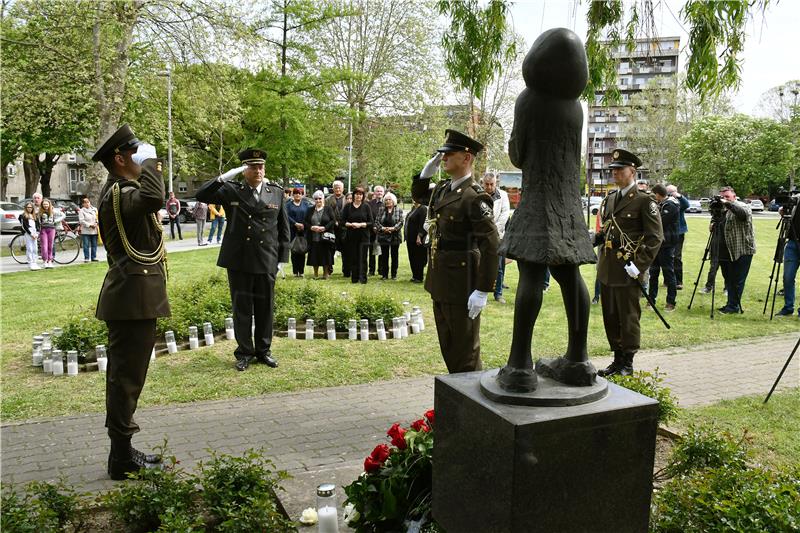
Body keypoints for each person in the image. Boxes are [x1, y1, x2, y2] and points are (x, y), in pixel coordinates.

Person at [93, 124, 169, 480]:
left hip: (134, 298)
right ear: (121, 158)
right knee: (125, 379)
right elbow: (155, 198)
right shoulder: (122, 193)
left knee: (128, 378)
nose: (141, 158)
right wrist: (151, 160)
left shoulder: (121, 192)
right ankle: (120, 458)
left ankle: (122, 450)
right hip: (130, 300)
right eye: (134, 152)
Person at [411, 129, 499, 373]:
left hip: (462, 283)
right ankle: (457, 401)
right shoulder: (442, 189)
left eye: (450, 153)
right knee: (449, 347)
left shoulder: (474, 197)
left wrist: (482, 290)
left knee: (466, 352)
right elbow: (419, 195)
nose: (444, 157)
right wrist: (424, 173)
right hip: (440, 280)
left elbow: (492, 246)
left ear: (467, 158)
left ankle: (470, 405)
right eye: (443, 153)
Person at [196, 148, 290, 371]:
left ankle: (264, 351)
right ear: (244, 170)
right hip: (239, 260)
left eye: (260, 166)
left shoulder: (275, 192)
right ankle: (245, 352)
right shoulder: (231, 190)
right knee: (242, 309)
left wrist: (282, 259)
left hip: (267, 259)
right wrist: (224, 177)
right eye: (252, 167)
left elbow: (283, 228)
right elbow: (201, 195)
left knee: (265, 308)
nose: (258, 170)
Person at [595, 149, 663, 377]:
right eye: (612, 170)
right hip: (607, 268)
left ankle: (628, 362)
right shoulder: (611, 199)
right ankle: (616, 359)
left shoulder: (644, 201)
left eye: (619, 169)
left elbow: (655, 237)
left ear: (632, 171)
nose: (615, 173)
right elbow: (606, 231)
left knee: (628, 317)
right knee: (611, 316)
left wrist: (640, 265)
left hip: (628, 269)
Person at [715, 186, 755, 314]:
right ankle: (730, 304)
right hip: (727, 251)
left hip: (742, 249)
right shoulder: (723, 210)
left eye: (727, 196)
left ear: (734, 195)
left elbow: (743, 215)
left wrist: (727, 204)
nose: (724, 199)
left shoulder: (743, 206)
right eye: (722, 197)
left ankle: (733, 307)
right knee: (730, 280)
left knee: (737, 280)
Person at [648, 184, 679, 311]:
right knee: (653, 273)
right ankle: (651, 301)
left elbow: (659, 222)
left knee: (668, 273)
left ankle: (671, 302)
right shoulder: (660, 204)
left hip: (666, 245)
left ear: (658, 194)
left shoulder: (670, 205)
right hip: (656, 244)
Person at [481, 173, 510, 304]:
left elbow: (504, 214)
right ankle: (482, 291)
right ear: (483, 183)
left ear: (495, 183)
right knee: (480, 264)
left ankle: (498, 293)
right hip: (481, 235)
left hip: (498, 235)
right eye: (487, 184)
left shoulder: (503, 195)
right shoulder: (478, 195)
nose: (489, 187)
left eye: (491, 184)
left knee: (499, 266)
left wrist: (493, 230)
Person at [341, 187, 374, 284]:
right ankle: (354, 278)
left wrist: (360, 225)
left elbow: (371, 222)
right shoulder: (348, 207)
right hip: (351, 235)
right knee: (353, 257)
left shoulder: (366, 207)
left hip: (364, 235)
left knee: (363, 257)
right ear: (353, 195)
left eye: (360, 194)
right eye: (357, 194)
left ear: (363, 196)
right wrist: (350, 224)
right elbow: (342, 221)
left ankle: (363, 278)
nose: (358, 196)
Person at [304, 190, 336, 279]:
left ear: (323, 199)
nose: (318, 200)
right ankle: (315, 274)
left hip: (325, 237)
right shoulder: (310, 209)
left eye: (320, 198)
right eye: (316, 199)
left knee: (326, 255)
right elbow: (305, 221)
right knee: (314, 255)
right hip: (313, 237)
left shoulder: (328, 209)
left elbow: (333, 221)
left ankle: (325, 274)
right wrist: (311, 227)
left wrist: (324, 228)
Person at [777, 196, 800, 317]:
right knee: (788, 277)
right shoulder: (796, 199)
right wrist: (783, 211)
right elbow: (782, 209)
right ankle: (788, 307)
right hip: (792, 243)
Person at [375, 192, 404, 280]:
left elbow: (401, 222)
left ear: (393, 201)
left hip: (395, 236)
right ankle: (384, 275)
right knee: (384, 256)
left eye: (389, 199)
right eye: (386, 200)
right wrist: (383, 228)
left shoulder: (399, 210)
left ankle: (394, 275)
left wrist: (393, 228)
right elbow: (377, 222)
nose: (388, 201)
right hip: (383, 236)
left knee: (394, 256)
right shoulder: (381, 210)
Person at [666, 185, 689, 289]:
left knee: (677, 256)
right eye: (669, 192)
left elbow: (686, 204)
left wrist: (678, 196)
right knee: (666, 256)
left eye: (672, 192)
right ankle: (668, 280)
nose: (670, 194)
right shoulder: (665, 201)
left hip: (678, 232)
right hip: (667, 232)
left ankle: (678, 281)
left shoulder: (679, 202)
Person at [286, 187, 310, 277]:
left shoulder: (306, 205)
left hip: (303, 231)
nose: (297, 195)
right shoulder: (288, 205)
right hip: (292, 230)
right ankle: (295, 272)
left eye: (299, 193)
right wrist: (295, 223)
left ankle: (302, 271)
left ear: (302, 195)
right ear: (293, 194)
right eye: (296, 193)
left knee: (302, 251)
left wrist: (303, 224)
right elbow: (286, 216)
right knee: (294, 251)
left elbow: (308, 216)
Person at [325, 180, 347, 276]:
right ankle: (329, 269)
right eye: (336, 187)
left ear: (342, 189)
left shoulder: (347, 199)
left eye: (339, 187)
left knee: (345, 250)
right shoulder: (328, 200)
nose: (338, 189)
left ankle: (345, 269)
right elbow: (325, 213)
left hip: (344, 229)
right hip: (332, 228)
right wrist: (334, 222)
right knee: (330, 250)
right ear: (333, 189)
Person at [404, 197, 428, 283]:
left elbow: (423, 224)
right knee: (412, 257)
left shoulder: (423, 209)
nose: (414, 200)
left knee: (418, 257)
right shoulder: (414, 208)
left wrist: (419, 236)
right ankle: (414, 275)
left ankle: (419, 277)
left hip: (417, 238)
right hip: (410, 238)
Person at [37, 198, 64, 268]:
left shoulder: (53, 211)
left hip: (51, 229)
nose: (45, 205)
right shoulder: (40, 212)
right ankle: (45, 261)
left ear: (49, 204)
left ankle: (50, 261)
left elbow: (63, 215)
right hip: (43, 230)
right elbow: (37, 221)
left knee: (50, 246)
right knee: (44, 246)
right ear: (42, 205)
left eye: (47, 204)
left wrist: (55, 221)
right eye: (44, 204)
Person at [368, 185, 385, 275]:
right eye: (377, 191)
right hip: (372, 231)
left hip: (382, 231)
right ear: (374, 193)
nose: (379, 193)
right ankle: (371, 270)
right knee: (371, 252)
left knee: (382, 251)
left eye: (381, 191)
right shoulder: (370, 204)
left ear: (383, 193)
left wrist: (380, 227)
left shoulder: (387, 203)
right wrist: (373, 226)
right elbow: (369, 217)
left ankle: (381, 270)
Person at [19, 201, 41, 270]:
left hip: (35, 234)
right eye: (28, 207)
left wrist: (37, 233)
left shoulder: (35, 216)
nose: (30, 208)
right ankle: (30, 263)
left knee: (35, 249)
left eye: (31, 207)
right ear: (26, 208)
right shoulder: (23, 216)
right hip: (28, 233)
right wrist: (31, 234)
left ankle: (35, 262)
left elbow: (38, 225)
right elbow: (24, 226)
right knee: (30, 248)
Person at [78, 197, 100, 262]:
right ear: (83, 204)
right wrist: (90, 225)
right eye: (85, 203)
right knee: (86, 245)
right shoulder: (81, 211)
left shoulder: (95, 209)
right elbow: (81, 221)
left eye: (88, 202)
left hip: (94, 230)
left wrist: (96, 223)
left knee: (94, 244)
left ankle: (94, 257)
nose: (87, 204)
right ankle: (86, 258)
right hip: (86, 231)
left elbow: (97, 217)